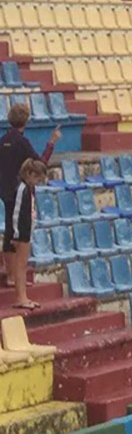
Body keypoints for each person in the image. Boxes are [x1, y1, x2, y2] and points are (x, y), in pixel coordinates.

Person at [0, 104, 57, 288]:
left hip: (4, 189)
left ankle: (10, 274)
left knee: (10, 228)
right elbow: (39, 164)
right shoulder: (22, 143)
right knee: (18, 233)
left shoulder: (3, 140)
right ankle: (13, 276)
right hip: (19, 192)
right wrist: (51, 143)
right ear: (26, 120)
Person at [8, 159, 46, 309]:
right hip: (21, 233)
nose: (37, 182)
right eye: (37, 179)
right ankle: (20, 297)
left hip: (27, 231)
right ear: (29, 174)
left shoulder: (29, 189)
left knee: (23, 265)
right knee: (20, 266)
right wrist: (16, 234)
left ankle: (24, 296)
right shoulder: (21, 189)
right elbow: (16, 213)